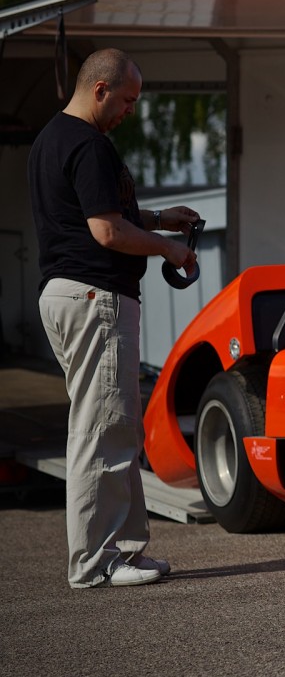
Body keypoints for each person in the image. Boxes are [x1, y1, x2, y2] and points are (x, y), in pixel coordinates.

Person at [29, 48, 200, 588]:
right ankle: (96, 562)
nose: (131, 110)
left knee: (114, 426)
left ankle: (124, 550)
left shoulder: (54, 139)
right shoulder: (89, 144)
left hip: (69, 293)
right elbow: (107, 233)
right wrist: (170, 250)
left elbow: (101, 215)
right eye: (127, 99)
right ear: (100, 89)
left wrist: (158, 218)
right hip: (94, 297)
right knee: (101, 430)